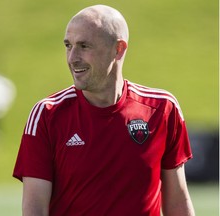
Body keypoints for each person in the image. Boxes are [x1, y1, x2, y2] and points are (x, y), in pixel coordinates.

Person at [13, 4, 195, 216]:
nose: (72, 58)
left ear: (118, 49)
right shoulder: (47, 114)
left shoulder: (162, 108)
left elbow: (178, 202)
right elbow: (34, 210)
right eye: (68, 45)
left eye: (84, 46)